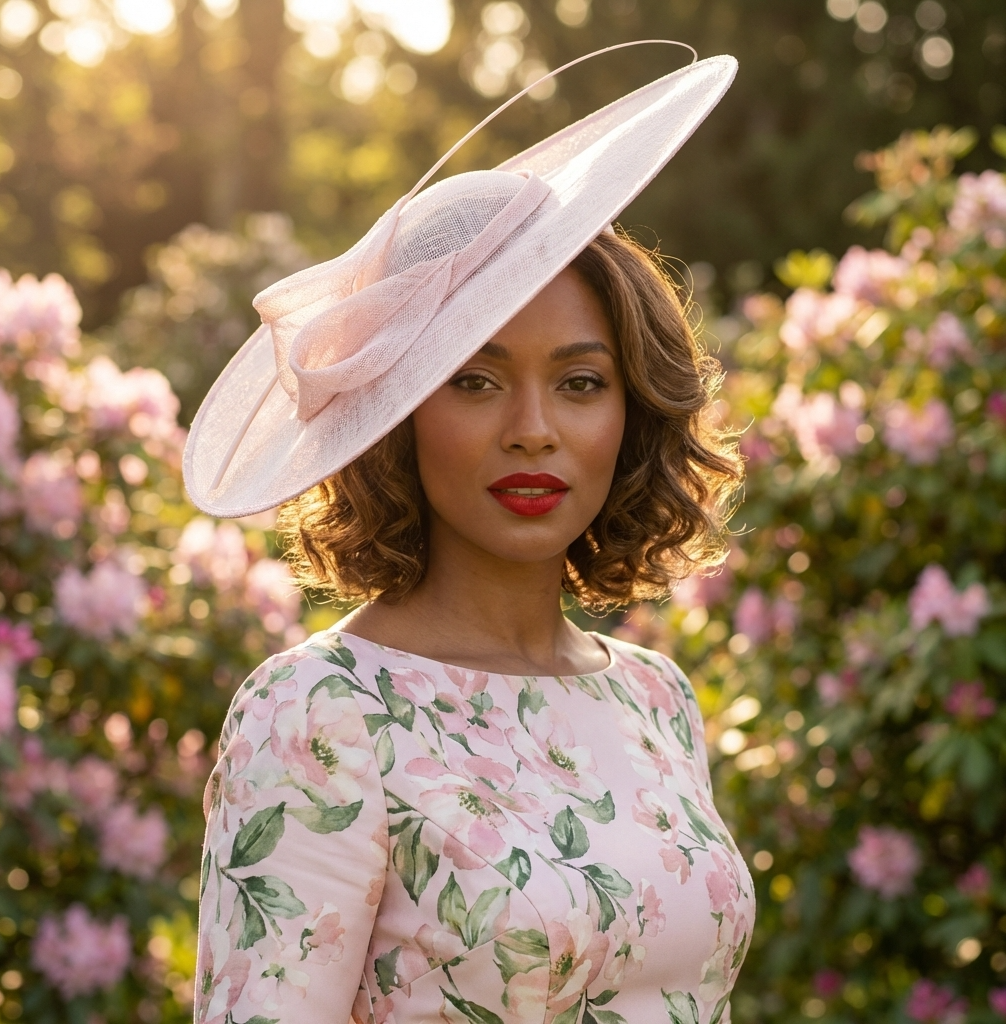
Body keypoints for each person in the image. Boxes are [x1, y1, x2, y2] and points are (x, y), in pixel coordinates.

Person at [185, 44, 754, 1024]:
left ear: (630, 414)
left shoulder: (655, 699)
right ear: (399, 413)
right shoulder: (319, 716)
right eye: (475, 380)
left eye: (580, 382)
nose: (532, 426)